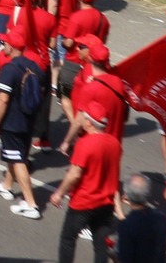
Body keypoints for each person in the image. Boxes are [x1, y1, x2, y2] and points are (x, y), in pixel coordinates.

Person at [47, 105, 121, 263]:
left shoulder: (85, 144)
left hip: (83, 202)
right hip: (106, 203)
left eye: (84, 119)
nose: (81, 121)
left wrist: (59, 193)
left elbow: (74, 174)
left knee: (68, 239)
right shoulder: (115, 143)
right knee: (100, 244)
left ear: (89, 123)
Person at [0, 25, 46, 218]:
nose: (3, 45)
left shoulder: (9, 70)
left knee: (18, 160)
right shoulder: (35, 66)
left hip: (12, 123)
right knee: (14, 154)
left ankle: (31, 204)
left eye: (5, 43)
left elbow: (3, 99)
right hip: (29, 121)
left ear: (11, 48)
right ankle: (6, 186)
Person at [112, 175, 166, 263]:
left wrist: (112, 255)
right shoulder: (161, 218)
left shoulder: (126, 226)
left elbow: (124, 258)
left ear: (125, 196)